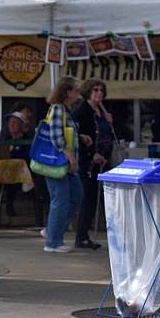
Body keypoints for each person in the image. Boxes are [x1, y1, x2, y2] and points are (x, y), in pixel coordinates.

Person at [39, 76, 85, 253]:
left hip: (64, 163)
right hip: (59, 162)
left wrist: (80, 138)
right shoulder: (58, 109)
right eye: (76, 91)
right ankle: (53, 242)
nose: (78, 94)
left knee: (75, 196)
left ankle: (52, 230)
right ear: (67, 92)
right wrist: (70, 156)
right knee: (61, 199)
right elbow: (57, 136)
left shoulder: (64, 110)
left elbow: (64, 133)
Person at [72, 78, 114, 250]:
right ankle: (81, 235)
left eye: (101, 90)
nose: (99, 93)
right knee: (88, 198)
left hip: (101, 161)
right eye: (95, 90)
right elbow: (76, 135)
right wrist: (91, 153)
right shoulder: (82, 110)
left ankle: (86, 234)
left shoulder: (101, 111)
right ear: (88, 91)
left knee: (95, 198)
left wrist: (110, 123)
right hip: (87, 162)